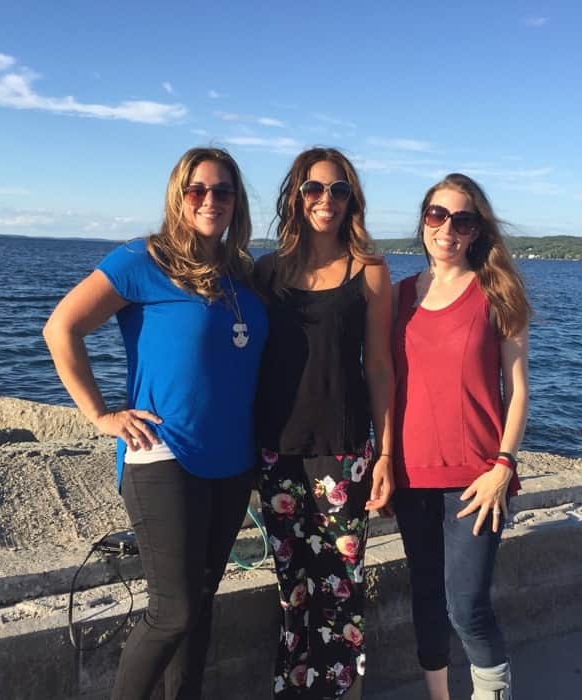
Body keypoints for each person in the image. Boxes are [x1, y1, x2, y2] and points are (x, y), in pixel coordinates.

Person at [43, 147, 267, 699]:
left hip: (232, 460)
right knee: (173, 611)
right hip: (163, 452)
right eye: (197, 190)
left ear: (237, 201)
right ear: (178, 196)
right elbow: (62, 328)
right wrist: (101, 414)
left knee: (201, 602)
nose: (210, 200)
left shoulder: (242, 272)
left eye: (222, 190)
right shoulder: (143, 259)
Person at [254, 147, 395, 699]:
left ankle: (341, 693)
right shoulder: (267, 272)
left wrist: (386, 454)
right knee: (291, 591)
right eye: (314, 188)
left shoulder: (370, 270)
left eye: (339, 190)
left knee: (341, 590)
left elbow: (379, 367)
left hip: (344, 449)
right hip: (276, 450)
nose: (326, 200)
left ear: (351, 199)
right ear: (296, 196)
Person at [391, 173, 531, 700]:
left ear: (477, 230)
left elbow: (518, 391)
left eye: (462, 220)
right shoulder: (398, 296)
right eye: (437, 215)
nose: (447, 228)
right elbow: (383, 382)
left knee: (467, 606)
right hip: (411, 474)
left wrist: (503, 467)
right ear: (423, 221)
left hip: (477, 479)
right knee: (427, 597)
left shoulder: (497, 292)